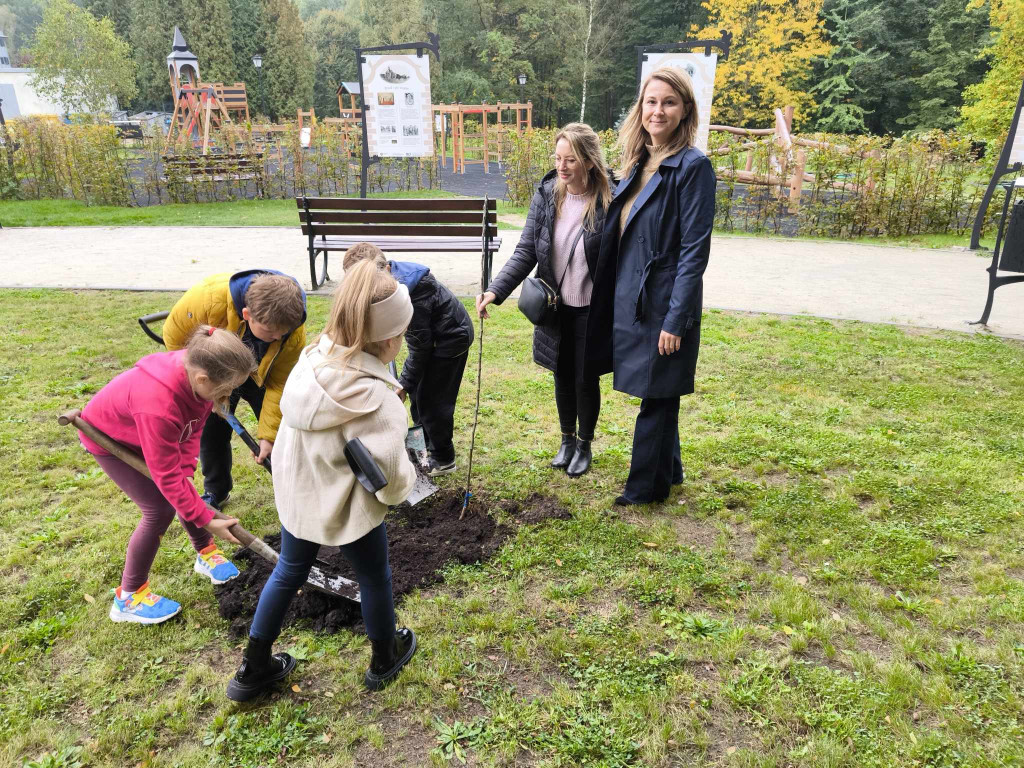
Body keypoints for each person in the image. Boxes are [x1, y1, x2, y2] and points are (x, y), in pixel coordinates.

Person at [226, 260, 418, 702]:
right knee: (374, 577)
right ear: (388, 338)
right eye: (402, 333)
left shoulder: (310, 360)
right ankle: (384, 657)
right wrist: (400, 488)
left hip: (299, 492)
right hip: (347, 507)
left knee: (290, 569)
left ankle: (253, 667)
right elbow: (390, 479)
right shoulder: (378, 401)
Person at [584, 67, 716, 505]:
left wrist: (676, 319)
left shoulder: (693, 167)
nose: (657, 111)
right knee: (659, 387)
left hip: (664, 301)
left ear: (685, 111)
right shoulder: (639, 161)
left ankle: (645, 489)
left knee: (657, 395)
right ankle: (670, 469)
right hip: (632, 298)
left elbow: (694, 252)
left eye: (669, 103)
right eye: (651, 102)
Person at [78, 326, 256, 624]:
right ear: (202, 379)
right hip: (113, 440)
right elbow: (166, 475)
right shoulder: (159, 404)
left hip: (145, 432)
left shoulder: (196, 375)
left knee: (182, 489)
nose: (227, 397)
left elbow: (191, 430)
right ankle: (129, 598)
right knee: (159, 509)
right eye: (224, 390)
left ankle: (206, 553)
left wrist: (185, 472)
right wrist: (208, 519)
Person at [476, 123, 613, 477]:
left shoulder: (610, 199)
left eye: (571, 160)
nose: (563, 166)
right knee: (562, 374)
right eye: (558, 158)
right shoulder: (547, 194)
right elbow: (525, 251)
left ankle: (584, 445)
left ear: (590, 162)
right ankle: (566, 440)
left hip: (591, 309)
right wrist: (496, 290)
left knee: (585, 378)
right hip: (555, 306)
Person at [162, 270, 307, 510]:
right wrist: (202, 384)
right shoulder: (206, 301)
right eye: (270, 332)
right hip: (217, 368)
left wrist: (267, 437)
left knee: (284, 427)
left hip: (263, 372)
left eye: (282, 333)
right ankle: (216, 490)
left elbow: (281, 384)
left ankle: (291, 484)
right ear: (247, 315)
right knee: (212, 430)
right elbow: (174, 340)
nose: (277, 337)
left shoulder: (291, 327)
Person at [343, 242, 474, 476]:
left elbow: (421, 348)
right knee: (419, 397)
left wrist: (403, 385)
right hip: (432, 339)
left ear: (384, 271)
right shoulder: (388, 282)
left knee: (433, 402)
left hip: (450, 339)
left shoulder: (411, 293)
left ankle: (444, 458)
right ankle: (420, 452)